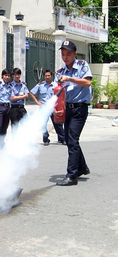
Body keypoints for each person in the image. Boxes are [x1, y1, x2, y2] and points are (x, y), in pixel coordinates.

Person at [54, 40, 92, 186]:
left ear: (75, 54)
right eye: (63, 54)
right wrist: (55, 108)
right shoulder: (61, 72)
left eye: (68, 54)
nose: (65, 57)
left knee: (72, 138)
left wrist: (70, 78)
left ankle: (71, 175)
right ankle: (82, 167)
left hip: (80, 108)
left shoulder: (82, 66)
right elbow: (57, 93)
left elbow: (87, 82)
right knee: (69, 140)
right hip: (67, 108)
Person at [30, 69, 66, 146]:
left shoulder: (55, 85)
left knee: (57, 123)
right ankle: (46, 139)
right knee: (43, 124)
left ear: (51, 76)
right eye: (46, 76)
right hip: (43, 107)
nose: (47, 77)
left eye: (48, 75)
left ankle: (62, 139)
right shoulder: (40, 85)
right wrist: (37, 102)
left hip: (53, 107)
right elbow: (31, 93)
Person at [0, 68, 12, 148]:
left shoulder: (10, 85)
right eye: (5, 75)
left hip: (7, 107)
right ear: (2, 76)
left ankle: (1, 142)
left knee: (5, 126)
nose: (7, 77)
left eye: (8, 76)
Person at [10, 68, 29, 133]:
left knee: (26, 125)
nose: (17, 76)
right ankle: (14, 141)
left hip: (22, 108)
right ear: (13, 75)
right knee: (14, 126)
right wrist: (22, 97)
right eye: (15, 75)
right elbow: (12, 98)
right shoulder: (11, 85)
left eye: (18, 74)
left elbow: (26, 95)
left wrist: (17, 97)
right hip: (14, 108)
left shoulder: (23, 85)